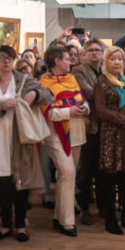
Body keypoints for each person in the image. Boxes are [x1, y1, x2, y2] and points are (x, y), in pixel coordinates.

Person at [0, 45, 51, 242]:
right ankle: (6, 225)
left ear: (14, 60)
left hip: (20, 138)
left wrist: (35, 94)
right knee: (3, 183)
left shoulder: (24, 79)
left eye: (9, 57)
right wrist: (0, 106)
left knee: (21, 184)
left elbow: (48, 94)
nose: (6, 61)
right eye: (1, 57)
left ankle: (22, 226)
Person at [40, 45, 88, 237]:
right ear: (57, 61)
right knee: (67, 172)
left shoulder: (72, 78)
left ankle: (59, 216)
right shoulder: (43, 82)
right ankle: (68, 223)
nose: (72, 62)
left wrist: (85, 109)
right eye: (68, 59)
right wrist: (69, 111)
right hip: (55, 133)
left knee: (66, 175)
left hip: (76, 131)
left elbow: (81, 99)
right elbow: (45, 112)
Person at [94, 46, 125, 234]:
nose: (117, 62)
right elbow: (102, 111)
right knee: (109, 178)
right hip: (110, 136)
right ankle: (110, 220)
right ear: (106, 62)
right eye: (113, 59)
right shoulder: (102, 82)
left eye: (120, 59)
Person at [73, 39, 104, 225]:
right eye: (90, 50)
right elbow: (89, 93)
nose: (94, 53)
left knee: (103, 170)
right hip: (89, 126)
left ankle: (103, 206)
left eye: (97, 50)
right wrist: (111, 92)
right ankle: (83, 208)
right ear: (84, 54)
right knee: (86, 170)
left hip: (106, 126)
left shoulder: (105, 70)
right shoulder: (78, 71)